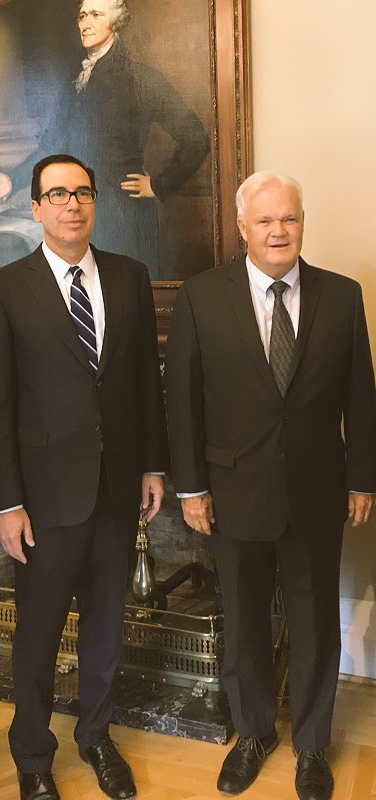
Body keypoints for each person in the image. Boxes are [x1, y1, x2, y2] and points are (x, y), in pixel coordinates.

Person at [164, 171, 376, 800]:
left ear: (301, 222)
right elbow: (182, 401)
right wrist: (190, 489)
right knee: (245, 620)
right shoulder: (202, 296)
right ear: (242, 227)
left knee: (315, 622)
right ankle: (253, 733)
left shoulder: (343, 296)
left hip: (318, 492)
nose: (278, 231)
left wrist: (362, 477)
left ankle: (312, 745)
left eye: (289, 218)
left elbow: (361, 397)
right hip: (232, 494)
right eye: (265, 220)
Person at [0, 154, 168, 800]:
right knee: (37, 634)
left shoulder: (130, 275)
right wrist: (6, 501)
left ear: (94, 203)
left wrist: (152, 464)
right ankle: (33, 756)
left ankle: (96, 737)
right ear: (35, 208)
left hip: (117, 490)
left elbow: (144, 384)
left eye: (83, 192)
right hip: (42, 500)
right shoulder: (4, 289)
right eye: (57, 194)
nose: (72, 204)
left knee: (105, 629)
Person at [0, 0, 209, 277]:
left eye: (96, 15)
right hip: (79, 210)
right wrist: (11, 180)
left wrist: (158, 185)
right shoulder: (76, 81)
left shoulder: (140, 79)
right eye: (82, 15)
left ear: (116, 21)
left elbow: (196, 138)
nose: (86, 23)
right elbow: (52, 145)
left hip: (123, 217)